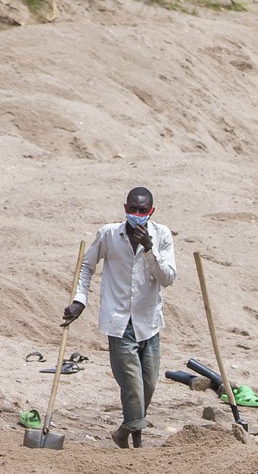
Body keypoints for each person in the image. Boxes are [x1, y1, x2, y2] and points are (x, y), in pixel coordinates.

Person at [64, 186, 178, 449]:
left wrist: (150, 251)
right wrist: (80, 300)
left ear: (151, 211)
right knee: (132, 386)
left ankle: (124, 430)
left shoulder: (162, 235)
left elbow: (167, 279)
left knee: (148, 385)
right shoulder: (108, 234)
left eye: (143, 210)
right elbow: (87, 265)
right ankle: (137, 442)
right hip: (119, 322)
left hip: (149, 321)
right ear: (126, 209)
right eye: (133, 209)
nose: (138, 214)